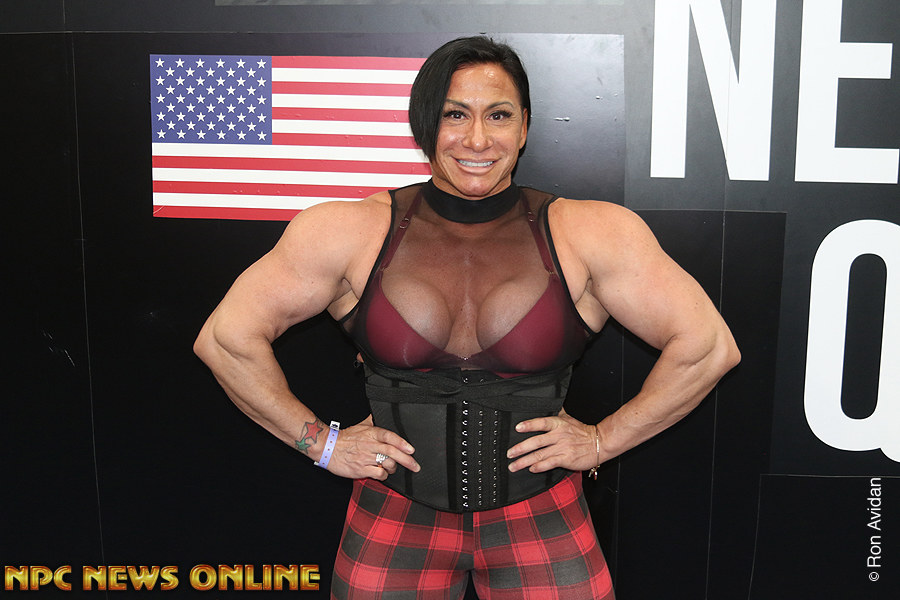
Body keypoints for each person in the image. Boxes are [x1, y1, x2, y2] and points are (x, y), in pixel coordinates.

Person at [194, 36, 740, 600]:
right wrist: (321, 443)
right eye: (455, 115)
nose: (477, 139)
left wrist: (602, 441)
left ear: (524, 128)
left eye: (498, 115)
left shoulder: (592, 233)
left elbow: (707, 346)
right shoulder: (347, 230)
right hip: (393, 513)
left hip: (544, 516)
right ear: (425, 124)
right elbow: (227, 339)